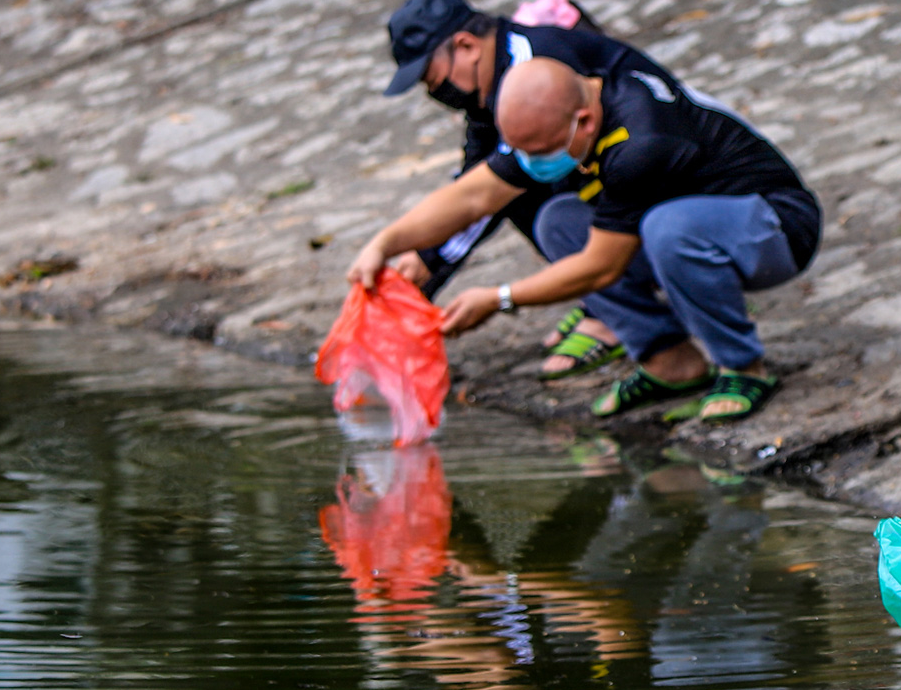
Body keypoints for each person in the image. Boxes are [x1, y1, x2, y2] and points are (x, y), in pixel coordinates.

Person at [350, 32, 820, 426]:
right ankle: (669, 361)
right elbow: (476, 194)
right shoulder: (561, 114)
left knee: (666, 228)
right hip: (684, 226)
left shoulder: (640, 141)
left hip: (774, 228)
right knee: (558, 222)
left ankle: (744, 366)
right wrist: (384, 243)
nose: (534, 164)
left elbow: (600, 267)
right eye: (523, 153)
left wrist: (499, 298)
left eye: (541, 151)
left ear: (585, 121)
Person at [364, 0, 625, 379]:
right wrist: (422, 254)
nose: (434, 92)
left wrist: (431, 259)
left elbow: (486, 194)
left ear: (466, 46)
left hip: (653, 186)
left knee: (526, 184)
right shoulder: (491, 83)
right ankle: (599, 293)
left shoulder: (529, 71)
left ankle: (614, 310)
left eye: (430, 78)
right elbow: (473, 180)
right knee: (510, 181)